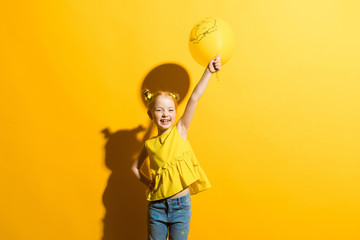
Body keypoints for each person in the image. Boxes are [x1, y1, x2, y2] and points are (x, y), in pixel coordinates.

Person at [131, 55, 221, 240]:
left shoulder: (180, 130)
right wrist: (148, 182)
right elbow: (134, 168)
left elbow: (194, 99)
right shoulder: (150, 144)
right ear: (151, 114)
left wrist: (208, 72)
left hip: (181, 207)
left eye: (170, 110)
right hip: (156, 206)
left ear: (176, 113)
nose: (166, 114)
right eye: (159, 110)